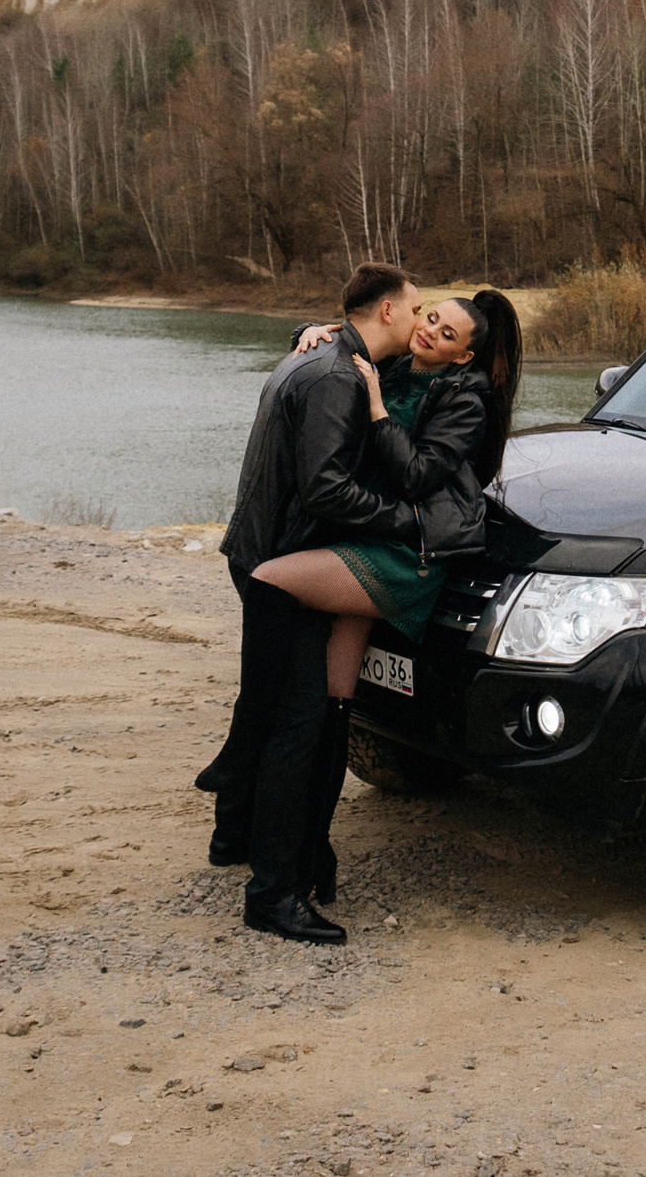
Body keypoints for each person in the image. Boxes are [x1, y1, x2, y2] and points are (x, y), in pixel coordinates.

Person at [198, 262, 424, 945]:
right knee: (297, 723)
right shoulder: (335, 377)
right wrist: (409, 521)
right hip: (282, 565)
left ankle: (233, 836)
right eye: (415, 308)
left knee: (267, 701)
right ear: (386, 310)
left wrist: (307, 326)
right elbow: (326, 489)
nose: (420, 320)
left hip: (260, 553)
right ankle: (274, 895)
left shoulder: (323, 355)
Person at [254, 289, 522, 694]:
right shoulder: (393, 365)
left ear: (462, 356)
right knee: (339, 671)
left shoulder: (464, 404)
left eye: (447, 335)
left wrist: (378, 411)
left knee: (267, 580)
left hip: (406, 553)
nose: (430, 332)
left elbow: (416, 475)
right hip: (369, 528)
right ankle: (320, 733)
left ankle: (260, 709)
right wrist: (311, 332)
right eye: (431, 318)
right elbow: (356, 338)